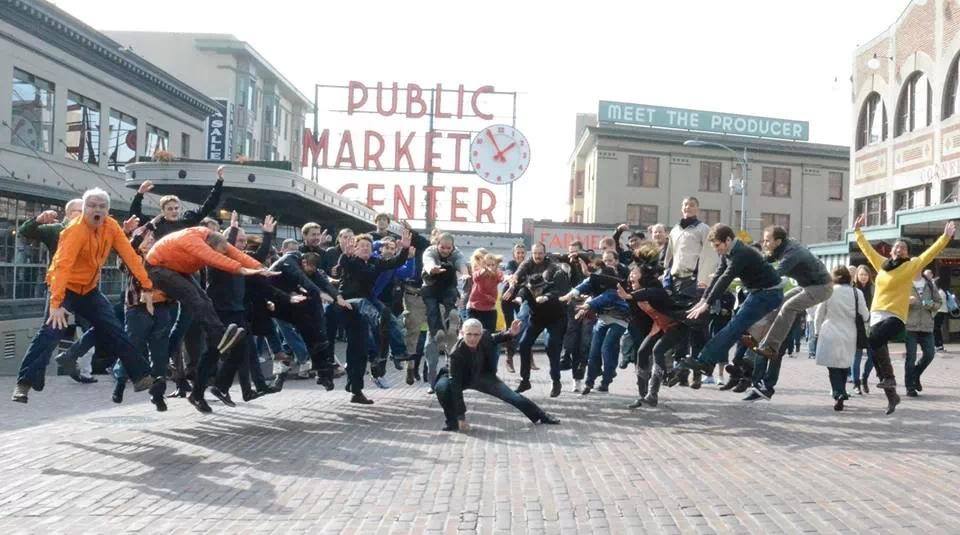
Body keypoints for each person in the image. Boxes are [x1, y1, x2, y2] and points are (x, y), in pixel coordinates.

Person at [12, 189, 156, 403]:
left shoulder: (111, 227)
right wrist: (56, 303)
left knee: (114, 328)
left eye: (102, 206)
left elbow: (130, 257)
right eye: (92, 206)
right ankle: (24, 384)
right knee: (51, 331)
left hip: (88, 289)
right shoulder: (75, 230)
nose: (97, 210)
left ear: (107, 210)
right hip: (64, 287)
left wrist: (147, 287)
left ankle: (141, 376)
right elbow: (62, 266)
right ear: (84, 209)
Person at [144, 225, 275, 413]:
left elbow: (239, 255)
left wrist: (260, 268)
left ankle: (215, 387)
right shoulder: (196, 242)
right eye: (239, 241)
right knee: (196, 300)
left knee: (207, 305)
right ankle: (218, 348)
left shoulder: (215, 241)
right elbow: (216, 259)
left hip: (182, 272)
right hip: (160, 268)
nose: (242, 245)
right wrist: (243, 270)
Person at [853, 215, 955, 414]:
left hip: (896, 315)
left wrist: (944, 238)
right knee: (876, 349)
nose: (898, 249)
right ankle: (892, 394)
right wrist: (857, 232)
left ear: (907, 253)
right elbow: (866, 248)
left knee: (873, 341)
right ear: (891, 250)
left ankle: (888, 379)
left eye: (903, 248)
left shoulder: (911, 265)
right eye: (896, 247)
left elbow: (929, 254)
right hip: (877, 313)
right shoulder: (881, 264)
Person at [679, 224, 784, 382]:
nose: (716, 249)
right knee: (737, 328)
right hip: (758, 292)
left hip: (769, 293)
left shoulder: (741, 253)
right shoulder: (727, 253)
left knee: (735, 326)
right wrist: (703, 300)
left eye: (717, 245)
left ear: (728, 240)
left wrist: (707, 304)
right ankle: (723, 364)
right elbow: (717, 276)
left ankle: (705, 362)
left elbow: (725, 279)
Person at [434, 319, 560, 432]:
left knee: (512, 396)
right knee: (442, 388)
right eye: (469, 334)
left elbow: (496, 338)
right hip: (457, 377)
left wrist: (510, 333)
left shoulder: (485, 336)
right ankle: (452, 422)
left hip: (482, 375)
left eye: (476, 334)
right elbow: (455, 386)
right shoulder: (456, 354)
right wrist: (461, 417)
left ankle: (541, 416)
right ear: (462, 333)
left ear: (481, 334)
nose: (472, 338)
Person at [336, 230, 412, 404]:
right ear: (354, 249)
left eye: (368, 246)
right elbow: (343, 264)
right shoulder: (350, 260)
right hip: (349, 302)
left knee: (359, 349)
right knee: (375, 317)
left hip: (368, 300)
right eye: (361, 246)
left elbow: (395, 261)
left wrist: (405, 249)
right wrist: (345, 254)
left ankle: (398, 353)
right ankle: (377, 338)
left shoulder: (374, 262)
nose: (365, 248)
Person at [749, 226, 833, 360]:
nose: (764, 244)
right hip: (806, 285)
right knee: (778, 303)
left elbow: (774, 276)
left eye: (767, 241)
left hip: (822, 287)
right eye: (763, 241)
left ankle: (771, 347)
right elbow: (766, 260)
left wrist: (751, 282)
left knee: (789, 307)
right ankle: (754, 336)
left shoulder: (792, 253)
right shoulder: (782, 247)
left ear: (778, 241)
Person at [513, 248, 570, 396]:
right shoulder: (527, 289)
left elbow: (555, 293)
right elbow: (521, 294)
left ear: (543, 286)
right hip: (537, 319)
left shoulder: (550, 287)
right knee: (524, 344)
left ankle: (556, 381)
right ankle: (525, 380)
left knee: (552, 346)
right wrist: (519, 299)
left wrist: (545, 297)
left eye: (538, 290)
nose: (535, 293)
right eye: (533, 290)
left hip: (556, 320)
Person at [814, 266, 869, 411]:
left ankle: (838, 392)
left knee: (832, 366)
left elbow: (819, 313)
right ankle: (842, 391)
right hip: (850, 332)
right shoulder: (857, 293)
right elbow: (865, 315)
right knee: (844, 364)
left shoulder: (829, 291)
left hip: (830, 330)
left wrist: (816, 330)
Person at [421, 232, 468, 388]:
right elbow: (427, 260)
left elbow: (461, 262)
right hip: (431, 289)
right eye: (442, 247)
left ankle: (451, 316)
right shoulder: (430, 251)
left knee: (452, 347)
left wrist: (465, 273)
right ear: (437, 244)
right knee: (431, 348)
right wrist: (431, 268)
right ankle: (432, 381)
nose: (446, 251)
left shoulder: (456, 253)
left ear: (453, 247)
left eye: (449, 248)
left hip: (448, 293)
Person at [904, 271, 942, 397]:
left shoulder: (929, 284)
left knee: (930, 354)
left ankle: (915, 374)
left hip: (926, 326)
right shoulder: (904, 282)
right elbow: (895, 301)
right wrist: (906, 302)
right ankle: (910, 387)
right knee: (911, 358)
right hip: (910, 326)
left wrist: (932, 305)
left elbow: (939, 302)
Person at [500, 243, 527, 373]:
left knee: (523, 325)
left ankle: (528, 356)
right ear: (514, 254)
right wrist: (511, 286)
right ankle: (508, 358)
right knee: (510, 327)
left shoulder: (527, 265)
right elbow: (510, 276)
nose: (520, 255)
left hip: (520, 298)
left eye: (522, 252)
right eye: (518, 252)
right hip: (508, 297)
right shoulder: (510, 264)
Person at [851, 265, 876, 395]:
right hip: (857, 325)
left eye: (865, 274)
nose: (863, 277)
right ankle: (856, 383)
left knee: (873, 355)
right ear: (857, 276)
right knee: (856, 356)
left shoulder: (874, 288)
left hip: (872, 324)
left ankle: (864, 378)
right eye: (861, 274)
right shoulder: (852, 289)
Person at [927, 269, 948, 351]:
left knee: (936, 328)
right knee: (936, 328)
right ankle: (938, 345)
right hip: (939, 311)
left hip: (939, 311)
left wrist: (925, 301)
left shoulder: (939, 292)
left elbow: (934, 301)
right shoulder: (940, 291)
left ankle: (939, 345)